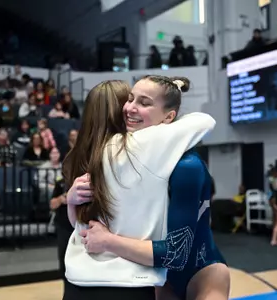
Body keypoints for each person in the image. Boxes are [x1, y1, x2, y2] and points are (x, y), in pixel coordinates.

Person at [63, 78, 215, 300]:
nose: (131, 108)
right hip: (127, 282)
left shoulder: (89, 154)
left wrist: (70, 201)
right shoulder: (146, 144)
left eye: (143, 102)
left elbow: (80, 227)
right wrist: (171, 93)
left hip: (78, 279)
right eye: (129, 99)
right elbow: (205, 121)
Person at [76, 149, 229, 300]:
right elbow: (84, 231)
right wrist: (71, 201)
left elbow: (177, 254)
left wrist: (107, 241)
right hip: (159, 275)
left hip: (202, 270)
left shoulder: (187, 165)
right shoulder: (129, 165)